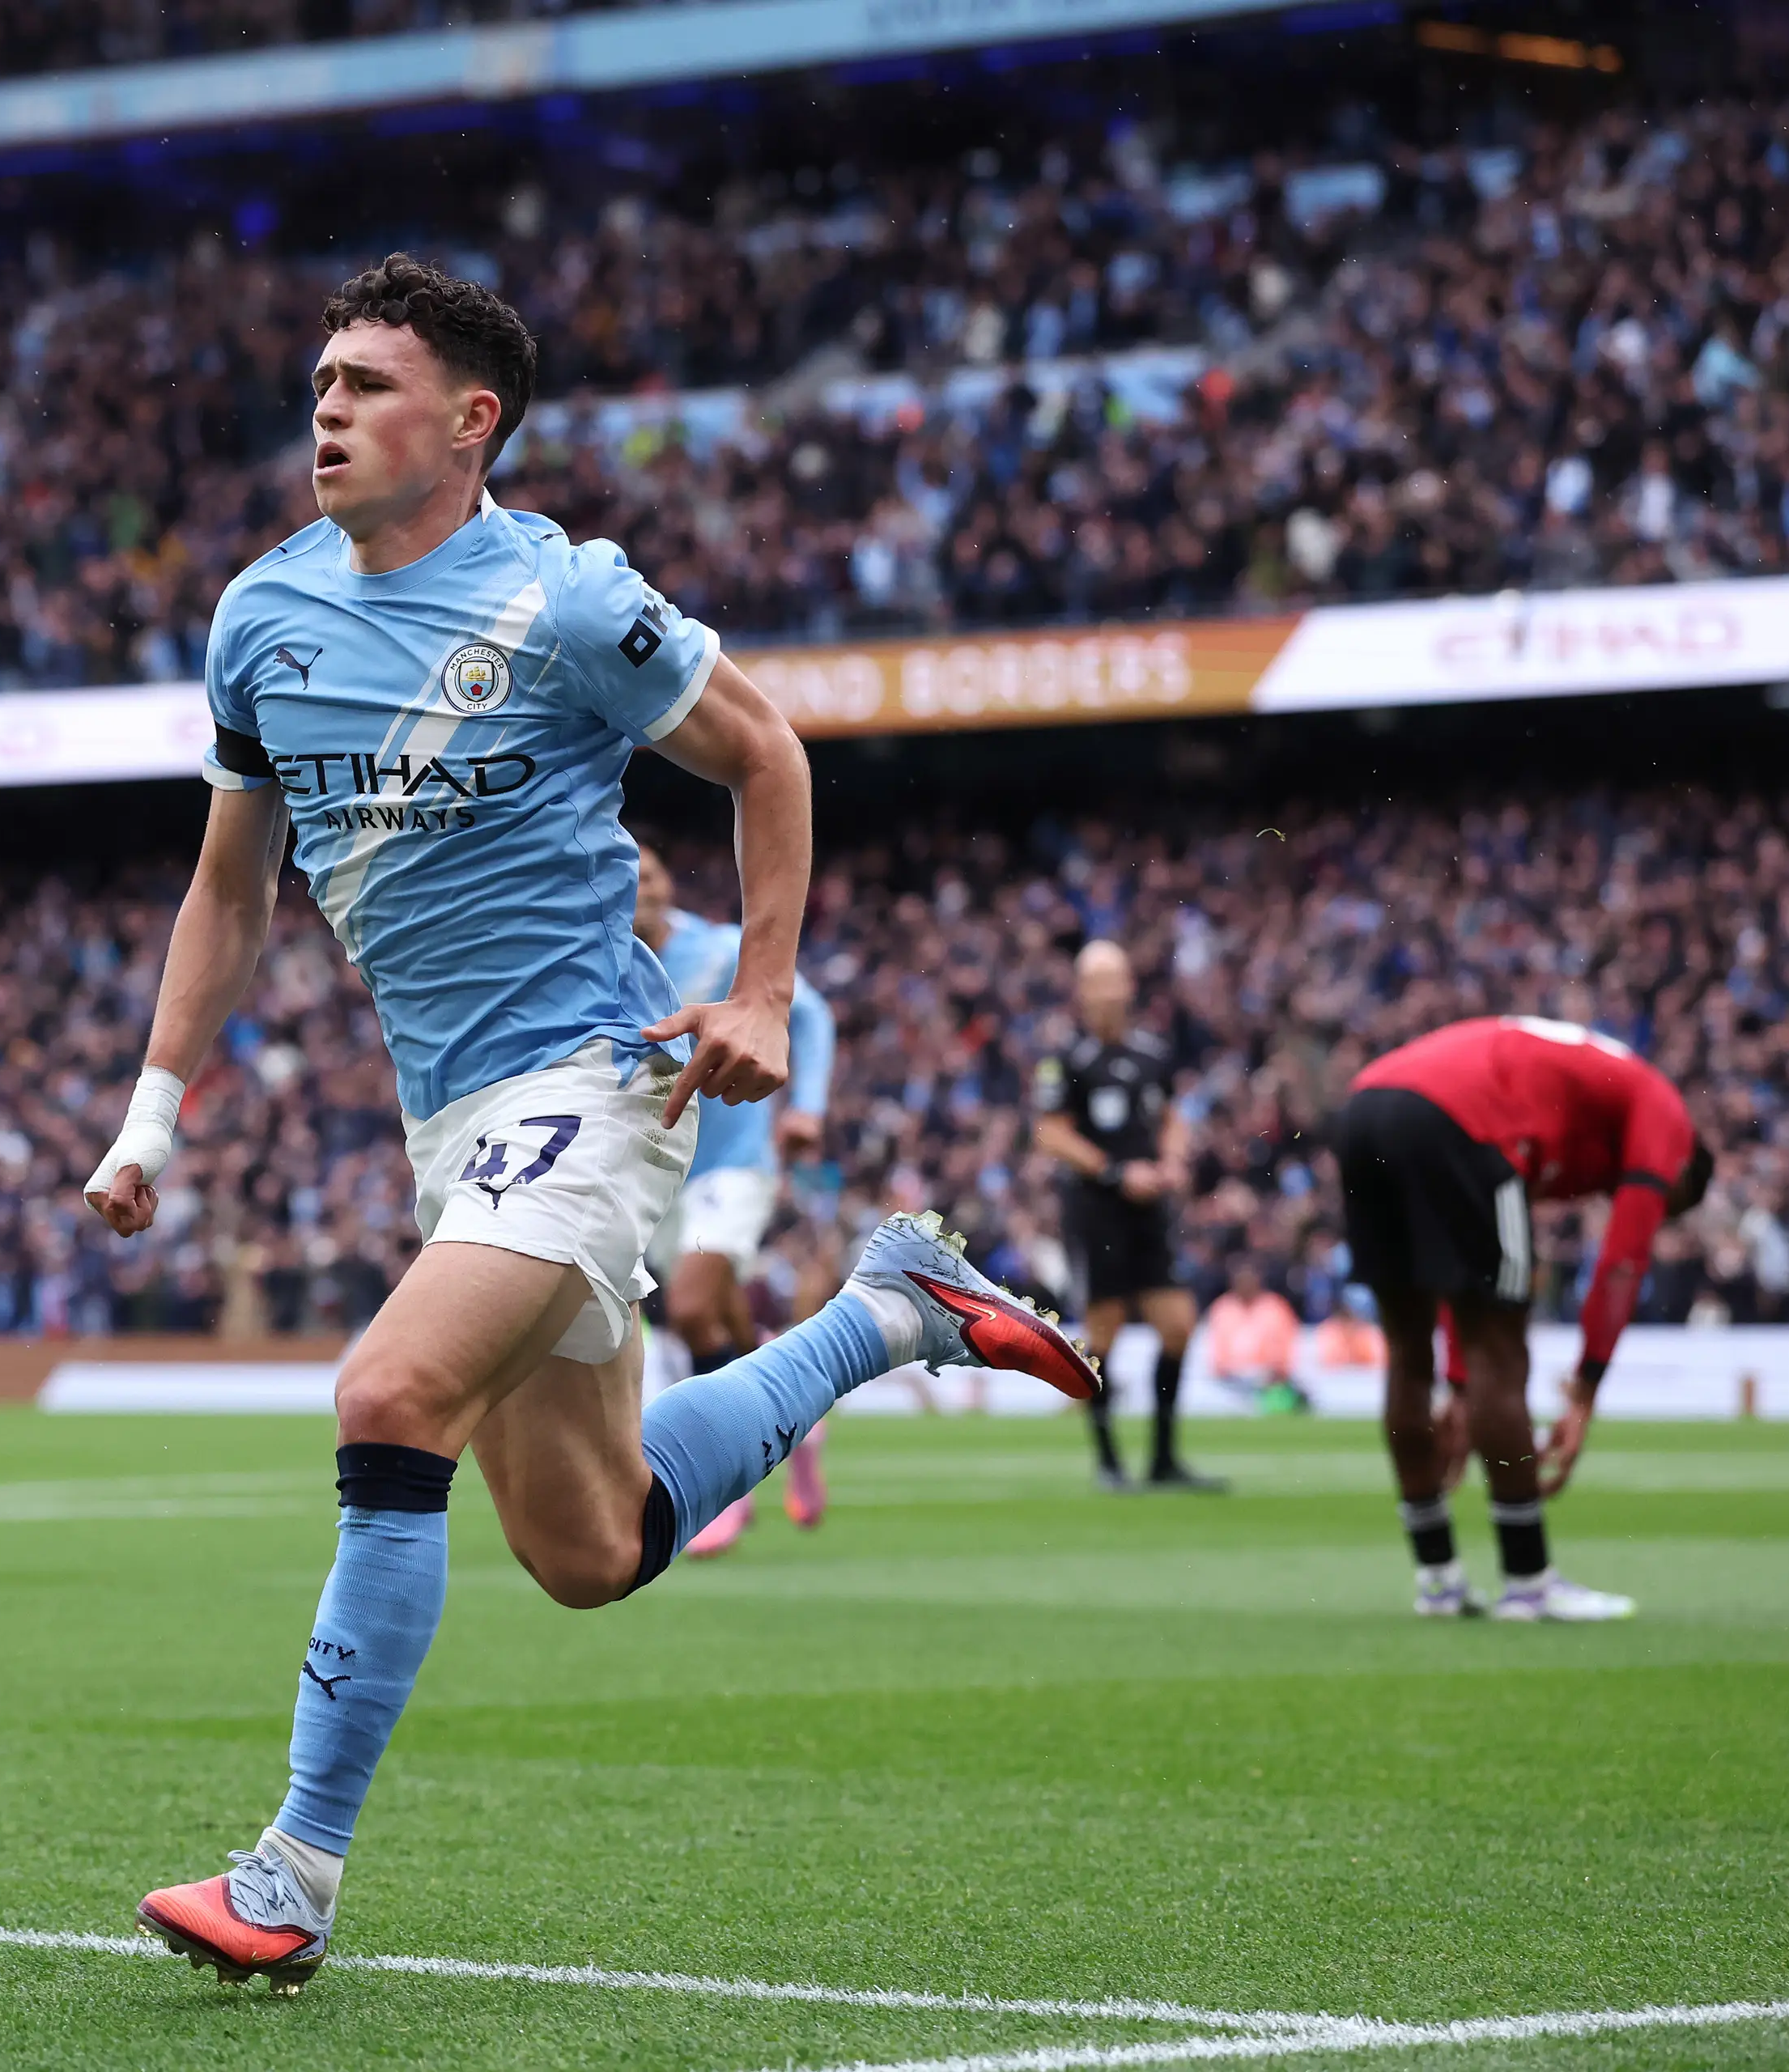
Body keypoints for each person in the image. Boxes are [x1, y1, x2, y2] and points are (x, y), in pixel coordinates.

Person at [79, 254, 1098, 1995]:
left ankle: (293, 1871)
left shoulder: (564, 600)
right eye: (321, 378)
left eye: (368, 384)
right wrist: (152, 1115)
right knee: (591, 1543)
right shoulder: (260, 616)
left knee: (387, 1397)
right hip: (452, 1116)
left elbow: (768, 752)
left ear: (470, 422)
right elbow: (228, 890)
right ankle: (888, 1311)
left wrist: (763, 991)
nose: (326, 407)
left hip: (592, 1082)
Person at [1335, 1013, 1708, 1621]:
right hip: (1460, 1117)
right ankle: (1528, 1583)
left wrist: (1458, 1387)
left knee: (1407, 1350)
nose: (1634, 1196)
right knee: (1504, 1355)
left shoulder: (1579, 1104)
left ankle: (1438, 1580)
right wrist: (1586, 1389)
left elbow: (1461, 1272)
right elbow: (1621, 1260)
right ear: (1684, 1163)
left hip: (1366, 1108)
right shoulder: (1663, 1112)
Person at [631, 839, 838, 1552]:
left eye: (651, 873)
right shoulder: (600, 969)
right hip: (660, 1171)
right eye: (626, 877)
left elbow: (810, 1015)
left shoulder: (722, 950)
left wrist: (806, 1106)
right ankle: (796, 1420)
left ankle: (721, 1487)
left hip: (736, 1163)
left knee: (689, 1306)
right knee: (715, 1326)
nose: (641, 888)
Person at [1031, 940, 1222, 1492]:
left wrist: (1173, 1158)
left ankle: (1163, 1460)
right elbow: (1050, 1133)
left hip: (1149, 1209)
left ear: (1129, 986)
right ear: (1083, 991)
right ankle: (1110, 1461)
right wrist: (1116, 1173)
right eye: (1099, 980)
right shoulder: (1067, 1059)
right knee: (1105, 1332)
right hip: (1098, 1211)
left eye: (1117, 978)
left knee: (1178, 1327)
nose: (1110, 990)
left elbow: (1170, 1117)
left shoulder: (1150, 1053)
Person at [1202, 1255, 1305, 1414]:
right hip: (1230, 1381)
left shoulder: (1276, 1307)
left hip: (1270, 1380)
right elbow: (1217, 1352)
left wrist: (1274, 1372)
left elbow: (1286, 1348)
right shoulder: (1222, 1308)